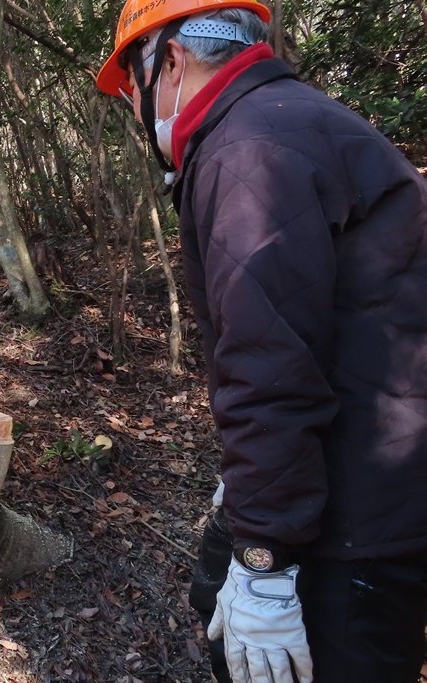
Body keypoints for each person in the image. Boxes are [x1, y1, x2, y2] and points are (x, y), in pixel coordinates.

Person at [96, 1, 427, 681]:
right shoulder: (295, 120)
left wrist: (264, 556)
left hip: (359, 518)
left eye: (133, 88)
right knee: (210, 596)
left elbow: (270, 364)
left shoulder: (249, 152)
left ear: (173, 62)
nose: (135, 111)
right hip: (376, 481)